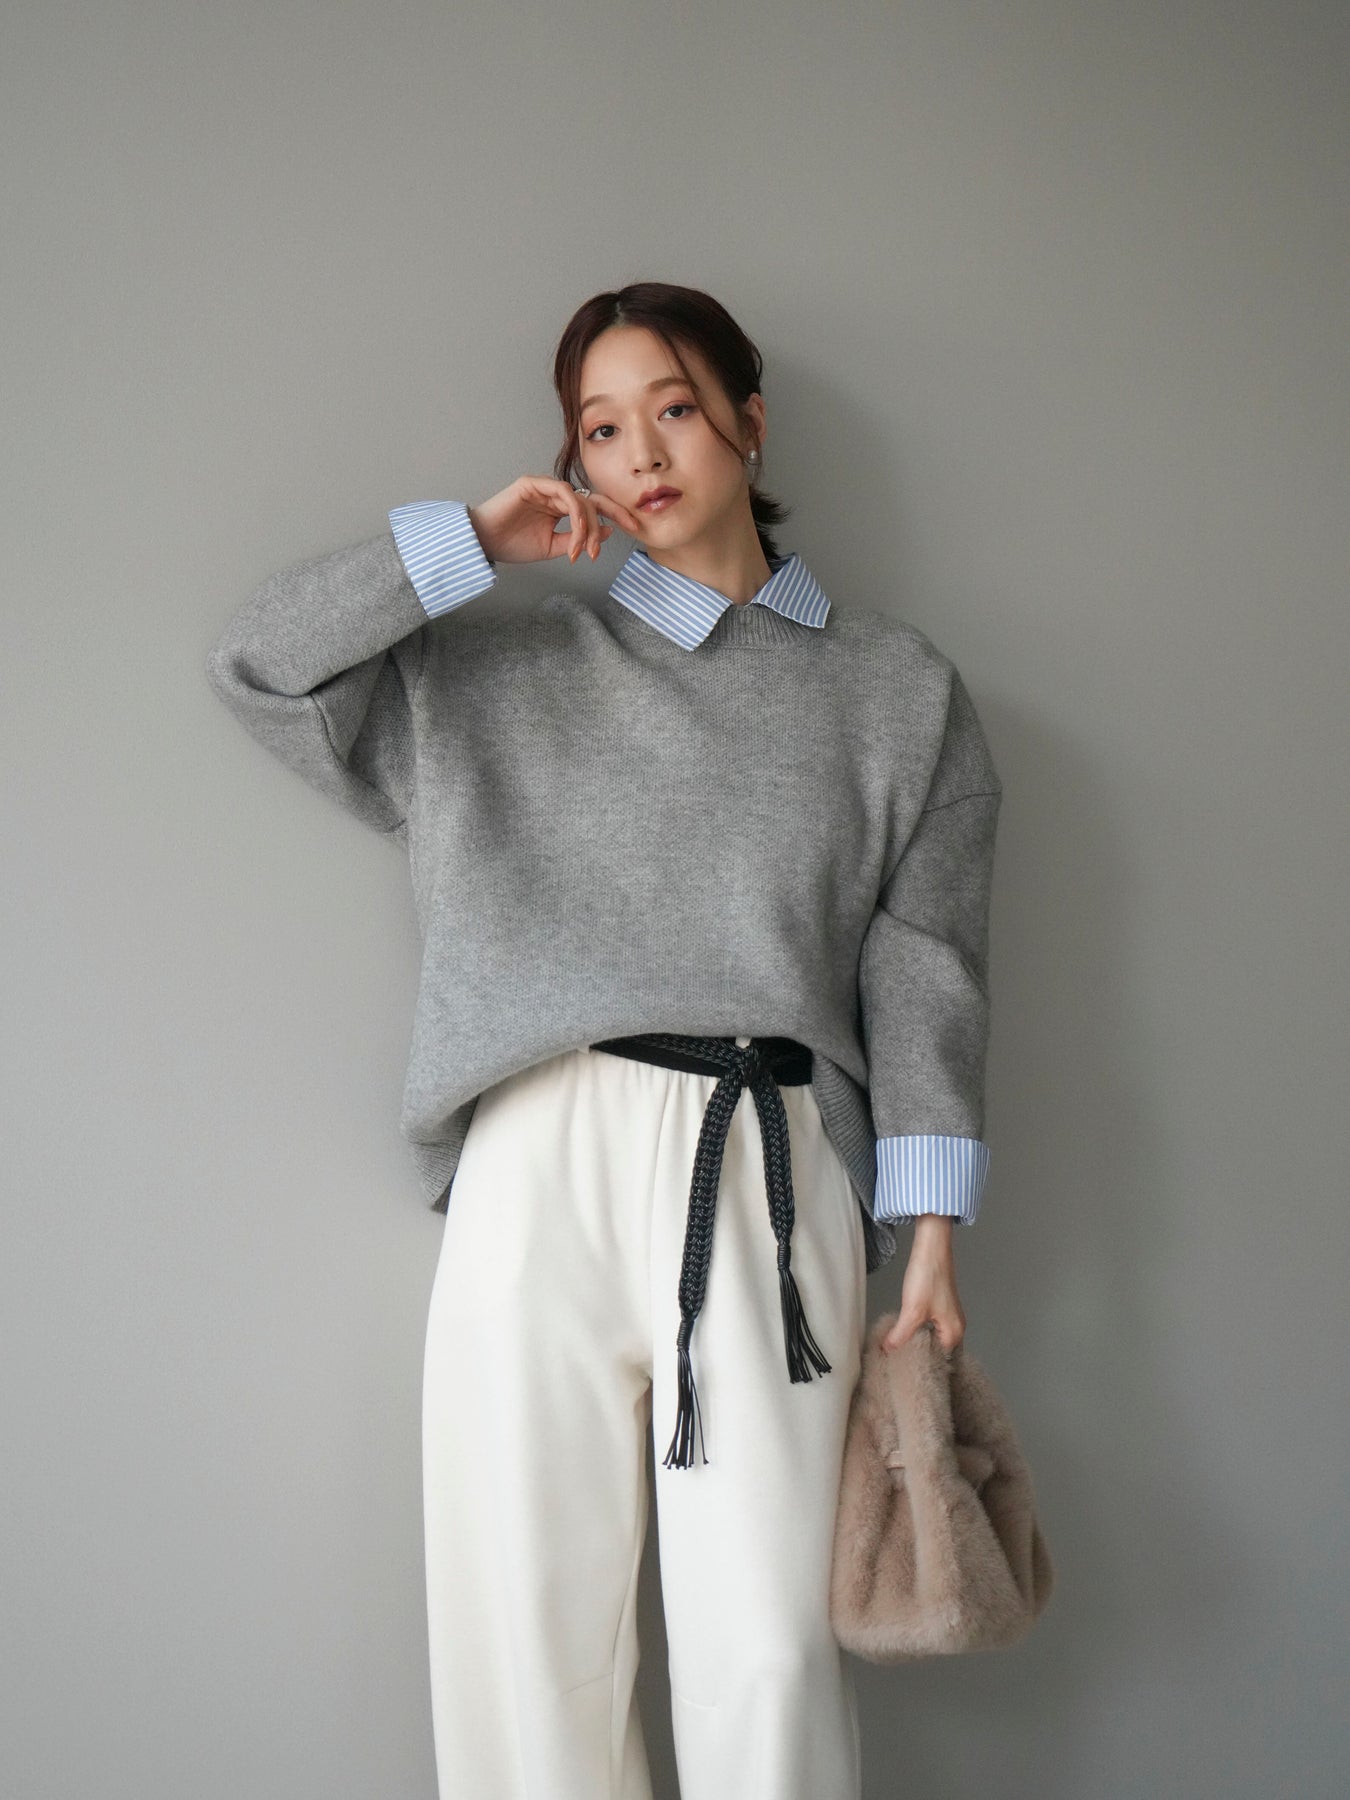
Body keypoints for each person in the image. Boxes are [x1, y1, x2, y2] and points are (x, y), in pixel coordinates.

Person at [205, 280, 1003, 1800]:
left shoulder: (900, 693)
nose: (641, 452)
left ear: (750, 421)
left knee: (768, 1653)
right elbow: (259, 664)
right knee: (525, 1643)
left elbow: (928, 973)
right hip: (537, 1158)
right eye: (600, 428)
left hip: (767, 1163)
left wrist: (931, 1231)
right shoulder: (491, 677)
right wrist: (466, 545)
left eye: (676, 408)